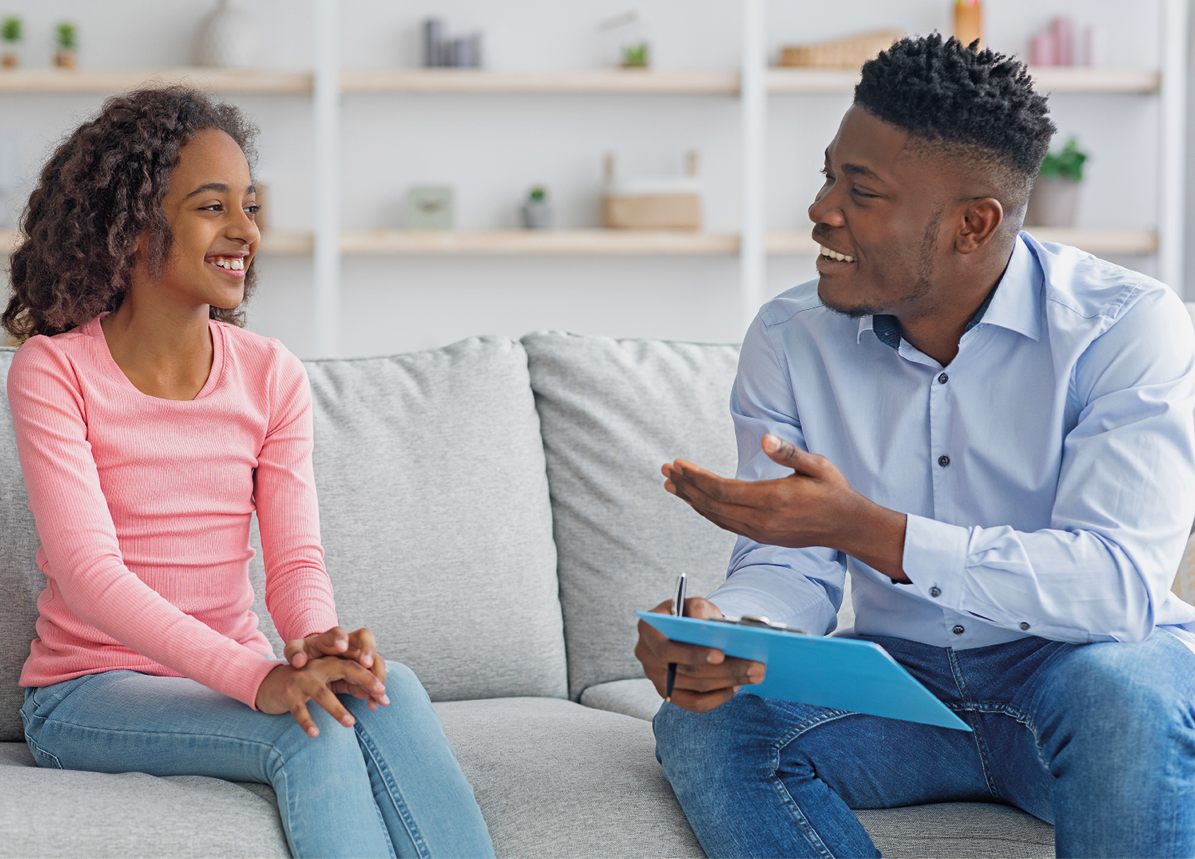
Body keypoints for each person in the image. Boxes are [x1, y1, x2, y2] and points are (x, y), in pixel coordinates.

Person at [636, 35, 1195, 859]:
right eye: (829, 174)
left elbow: (1114, 587)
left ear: (973, 224)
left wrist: (870, 529)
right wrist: (728, 627)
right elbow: (790, 566)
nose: (821, 209)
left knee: (1125, 687)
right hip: (901, 686)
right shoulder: (790, 337)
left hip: (1079, 677)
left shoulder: (1124, 325)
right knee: (708, 724)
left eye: (860, 190)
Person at [5, 87, 494, 859]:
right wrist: (256, 679)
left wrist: (314, 647)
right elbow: (89, 572)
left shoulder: (270, 373)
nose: (245, 231)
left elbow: (295, 561)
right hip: (89, 691)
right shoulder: (53, 370)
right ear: (133, 227)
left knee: (384, 689)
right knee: (310, 737)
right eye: (212, 207)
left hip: (230, 669)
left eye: (250, 205)